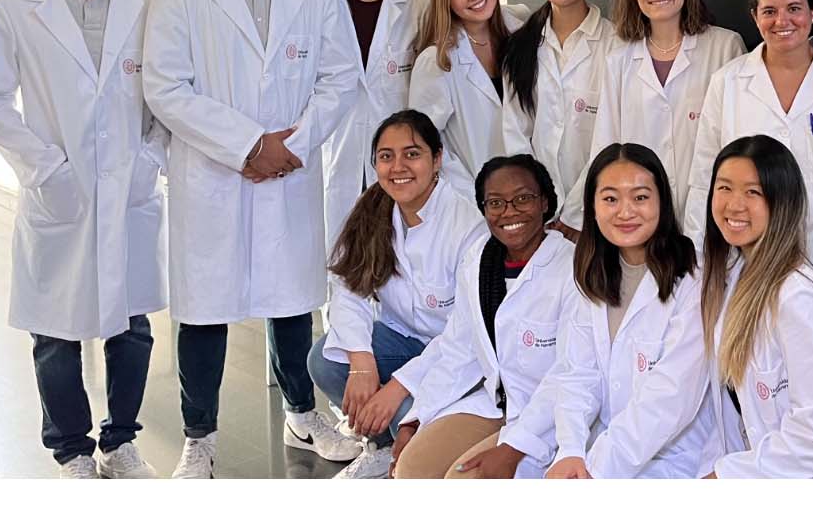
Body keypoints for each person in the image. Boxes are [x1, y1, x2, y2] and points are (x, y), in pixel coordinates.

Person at [141, 0, 363, 478]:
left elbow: (340, 77)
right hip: (213, 174)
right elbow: (165, 87)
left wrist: (291, 145)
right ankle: (199, 438)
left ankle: (301, 411)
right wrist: (246, 145)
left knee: (291, 301)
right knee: (204, 311)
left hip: (288, 171)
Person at [0, 0, 166, 479]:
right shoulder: (14, 3)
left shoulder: (149, 0)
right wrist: (45, 167)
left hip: (129, 186)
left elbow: (170, 93)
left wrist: (149, 160)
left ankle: (122, 440)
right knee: (55, 333)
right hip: (60, 191)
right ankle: (72, 450)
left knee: (132, 325)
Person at [687, 0, 813, 320]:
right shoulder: (727, 82)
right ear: (754, 17)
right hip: (744, 255)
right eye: (769, 11)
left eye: (794, 9)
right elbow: (704, 177)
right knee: (749, 365)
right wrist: (699, 261)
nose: (782, 21)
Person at [306, 110, 487, 478]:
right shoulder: (374, 210)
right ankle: (382, 448)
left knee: (407, 415)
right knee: (325, 361)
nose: (398, 166)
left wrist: (396, 388)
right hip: (401, 340)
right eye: (386, 156)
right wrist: (361, 361)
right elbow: (347, 289)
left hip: (458, 358)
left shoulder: (468, 225)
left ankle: (400, 447)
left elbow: (465, 336)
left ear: (437, 159)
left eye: (412, 153)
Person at [391, 154, 581, 479]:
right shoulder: (479, 261)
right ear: (483, 209)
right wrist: (418, 418)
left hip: (551, 417)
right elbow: (457, 350)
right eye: (495, 203)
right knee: (412, 469)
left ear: (545, 202)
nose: (509, 212)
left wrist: (512, 448)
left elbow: (571, 377)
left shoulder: (572, 269)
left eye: (522, 199)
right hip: (498, 405)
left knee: (465, 481)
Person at [701, 135, 813, 478]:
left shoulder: (797, 299)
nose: (734, 205)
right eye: (724, 188)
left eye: (753, 192)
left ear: (782, 203)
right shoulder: (737, 276)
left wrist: (726, 477)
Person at [542, 144, 717, 478]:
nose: (625, 212)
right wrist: (571, 450)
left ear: (662, 203)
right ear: (592, 207)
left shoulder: (694, 279)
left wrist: (596, 468)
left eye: (640, 197)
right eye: (610, 199)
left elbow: (671, 397)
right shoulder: (590, 275)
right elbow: (578, 374)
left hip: (674, 457)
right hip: (603, 447)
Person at [587, 0, 744, 226]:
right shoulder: (618, 61)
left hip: (711, 217)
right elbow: (606, 148)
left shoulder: (725, 48)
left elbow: (737, 146)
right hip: (638, 217)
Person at [319, 0, 430, 249]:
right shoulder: (316, 2)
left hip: (402, 159)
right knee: (338, 262)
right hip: (335, 152)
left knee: (403, 260)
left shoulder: (418, 5)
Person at [500, 0, 613, 233]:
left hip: (597, 209)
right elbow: (516, 130)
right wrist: (534, 201)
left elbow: (611, 137)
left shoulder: (616, 45)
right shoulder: (521, 45)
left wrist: (575, 213)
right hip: (538, 211)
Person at [410, 0, 530, 190]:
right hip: (473, 198)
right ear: (447, 1)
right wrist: (469, 195)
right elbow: (425, 144)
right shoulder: (437, 61)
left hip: (528, 191)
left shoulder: (522, 32)